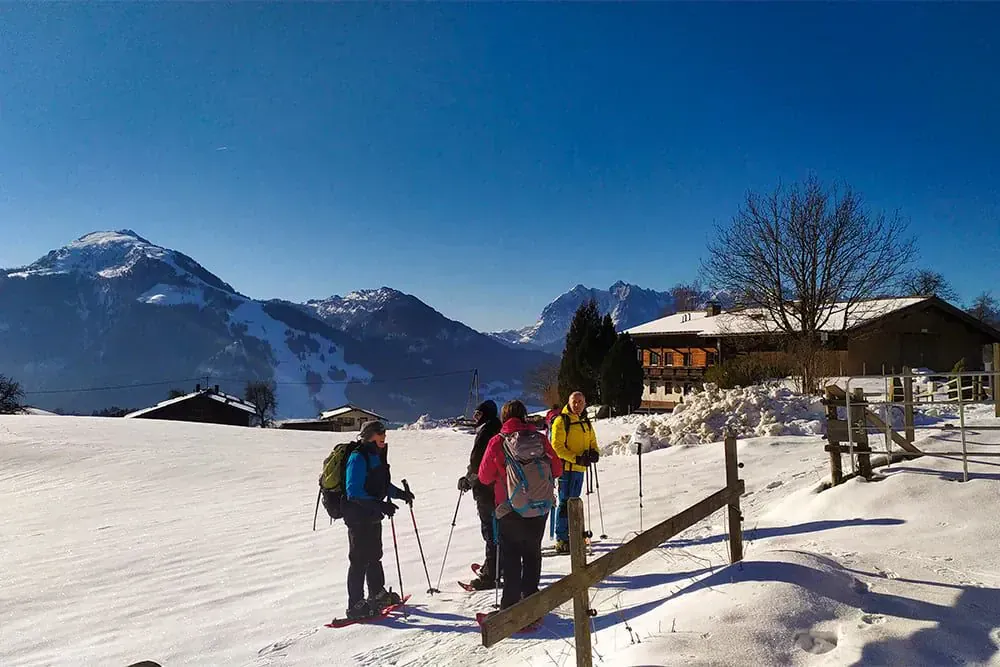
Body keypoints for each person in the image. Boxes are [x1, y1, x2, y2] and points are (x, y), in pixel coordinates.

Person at [478, 399, 562, 611]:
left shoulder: (498, 441)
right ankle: (532, 603)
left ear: (504, 418)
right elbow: (558, 469)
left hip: (510, 509)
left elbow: (485, 476)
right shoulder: (540, 439)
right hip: (540, 508)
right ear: (525, 416)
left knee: (512, 558)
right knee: (533, 554)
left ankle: (510, 609)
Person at [341, 420, 415, 619]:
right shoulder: (358, 457)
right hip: (357, 516)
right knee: (359, 560)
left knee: (374, 555)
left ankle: (377, 593)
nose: (384, 437)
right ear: (369, 436)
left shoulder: (376, 455)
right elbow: (353, 492)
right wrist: (380, 505)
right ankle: (355, 605)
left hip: (372, 515)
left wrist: (401, 494)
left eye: (384, 434)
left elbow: (381, 484)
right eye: (379, 434)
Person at [457, 400, 504, 589]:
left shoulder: (486, 432)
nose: (476, 418)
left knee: (490, 530)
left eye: (478, 415)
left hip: (486, 489)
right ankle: (496, 566)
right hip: (500, 488)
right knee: (497, 528)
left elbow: (478, 462)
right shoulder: (498, 429)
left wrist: (468, 480)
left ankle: (491, 574)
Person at [549, 391, 600, 553]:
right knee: (565, 503)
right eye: (574, 401)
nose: (577, 404)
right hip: (566, 470)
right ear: (569, 403)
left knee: (575, 502)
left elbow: (592, 440)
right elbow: (557, 447)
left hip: (579, 469)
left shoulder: (585, 421)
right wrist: (575, 458)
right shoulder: (561, 421)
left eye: (580, 401)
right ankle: (562, 538)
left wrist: (594, 452)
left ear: (585, 403)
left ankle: (574, 534)